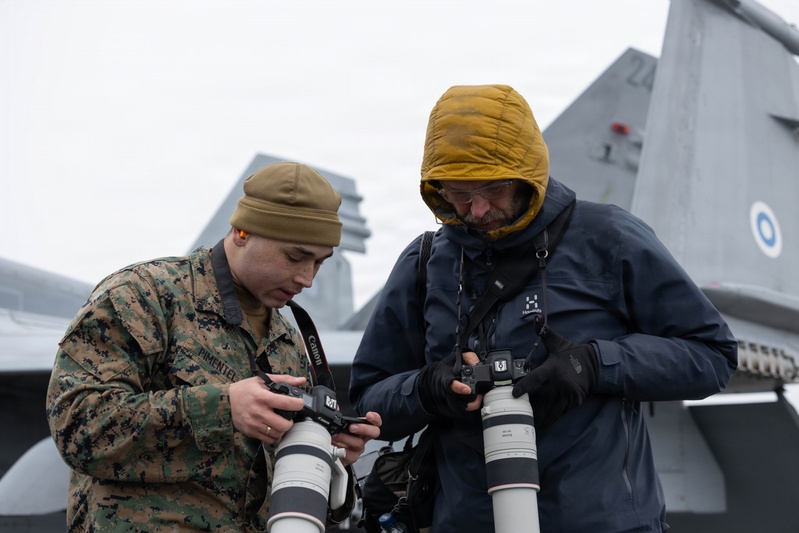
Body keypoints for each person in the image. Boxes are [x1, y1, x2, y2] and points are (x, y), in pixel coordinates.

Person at [349, 84, 737, 532]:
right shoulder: (425, 262)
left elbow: (711, 355)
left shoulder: (610, 238)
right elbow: (366, 402)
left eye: (492, 189)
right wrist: (428, 388)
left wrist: (595, 364)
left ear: (528, 174)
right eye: (457, 192)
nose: (475, 209)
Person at [46, 161, 382, 531]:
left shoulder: (287, 341)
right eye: (295, 256)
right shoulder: (144, 296)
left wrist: (333, 459)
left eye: (319, 262)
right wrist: (224, 409)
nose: (307, 278)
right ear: (242, 232)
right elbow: (77, 427)